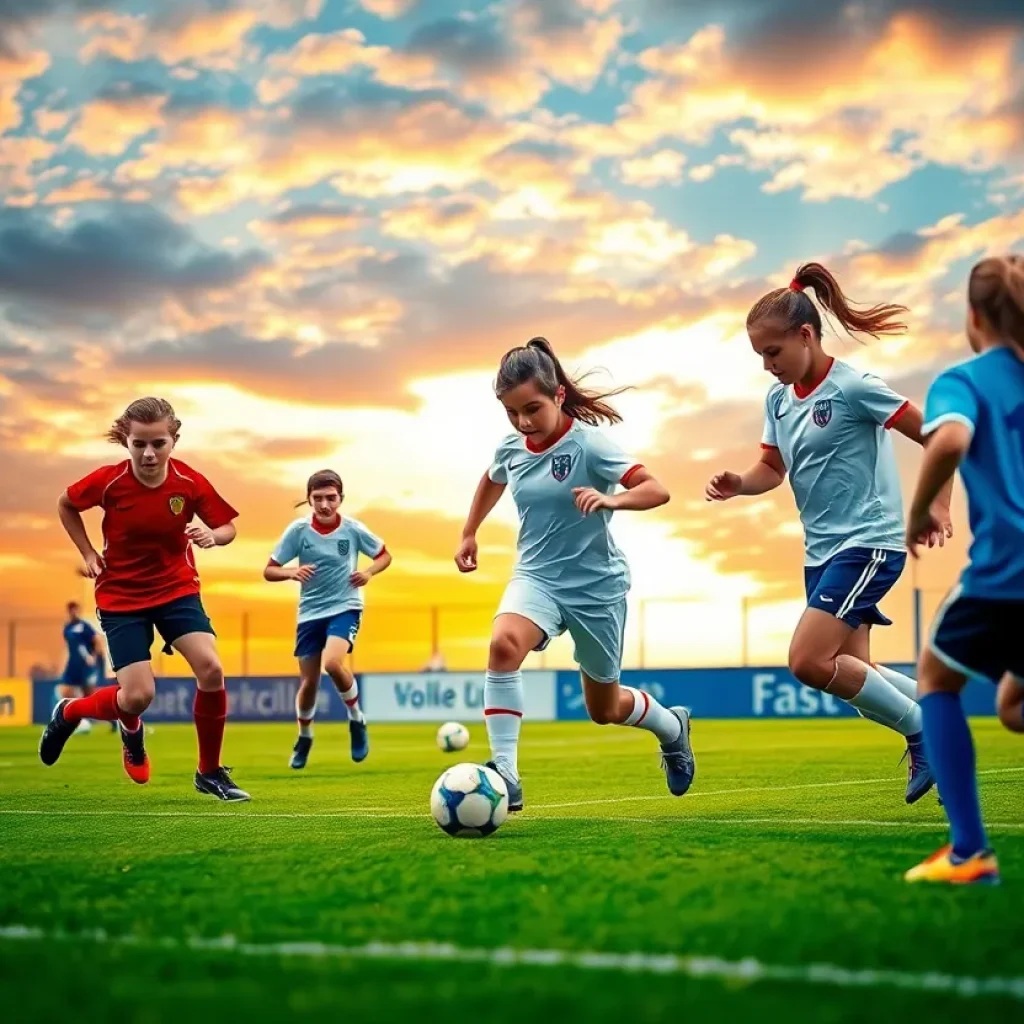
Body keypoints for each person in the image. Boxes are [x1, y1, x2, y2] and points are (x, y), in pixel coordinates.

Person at [705, 263, 954, 804]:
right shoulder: (777, 401)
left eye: (773, 353)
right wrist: (739, 484)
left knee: (808, 662)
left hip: (869, 543)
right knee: (855, 673)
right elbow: (772, 470)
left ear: (805, 335)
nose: (768, 366)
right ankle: (938, 715)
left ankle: (923, 731)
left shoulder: (854, 387)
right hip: (821, 552)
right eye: (759, 357)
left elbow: (938, 436)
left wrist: (938, 499)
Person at [455, 337, 695, 812]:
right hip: (537, 577)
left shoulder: (590, 444)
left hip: (596, 589)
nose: (523, 422)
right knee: (503, 645)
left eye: (533, 408)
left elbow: (657, 489)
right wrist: (469, 532)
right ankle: (506, 772)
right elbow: (492, 477)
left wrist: (613, 499)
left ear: (559, 394)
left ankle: (672, 727)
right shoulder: (512, 446)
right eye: (511, 412)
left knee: (603, 711)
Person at [40, 397, 249, 802]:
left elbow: (227, 527)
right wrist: (86, 552)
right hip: (122, 596)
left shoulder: (189, 483)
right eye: (140, 444)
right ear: (126, 441)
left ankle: (209, 772)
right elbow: (66, 504)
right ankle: (71, 712)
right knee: (137, 697)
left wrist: (213, 537)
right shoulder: (109, 482)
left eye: (158, 443)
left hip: (176, 590)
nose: (149, 453)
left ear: (174, 439)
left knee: (211, 669)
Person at [903, 255, 1024, 885]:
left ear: (973, 316)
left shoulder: (964, 380)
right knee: (1011, 706)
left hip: (1009, 572)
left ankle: (969, 853)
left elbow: (946, 440)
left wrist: (920, 509)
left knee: (935, 677)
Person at [264, 469, 391, 769]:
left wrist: (369, 572)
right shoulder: (298, 531)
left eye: (330, 498)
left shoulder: (353, 529)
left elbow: (385, 555)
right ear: (308, 499)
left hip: (345, 606)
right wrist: (290, 572)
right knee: (309, 683)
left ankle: (357, 720)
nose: (324, 505)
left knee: (332, 664)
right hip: (309, 613)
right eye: (318, 498)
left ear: (340, 499)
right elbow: (269, 569)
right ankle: (305, 736)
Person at [58, 601, 114, 734]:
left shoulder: (85, 626)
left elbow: (97, 641)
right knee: (66, 692)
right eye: (71, 610)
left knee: (89, 696)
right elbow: (72, 648)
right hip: (72, 665)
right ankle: (78, 722)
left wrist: (94, 658)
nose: (74, 612)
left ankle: (113, 720)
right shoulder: (67, 628)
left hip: (86, 666)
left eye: (76, 610)